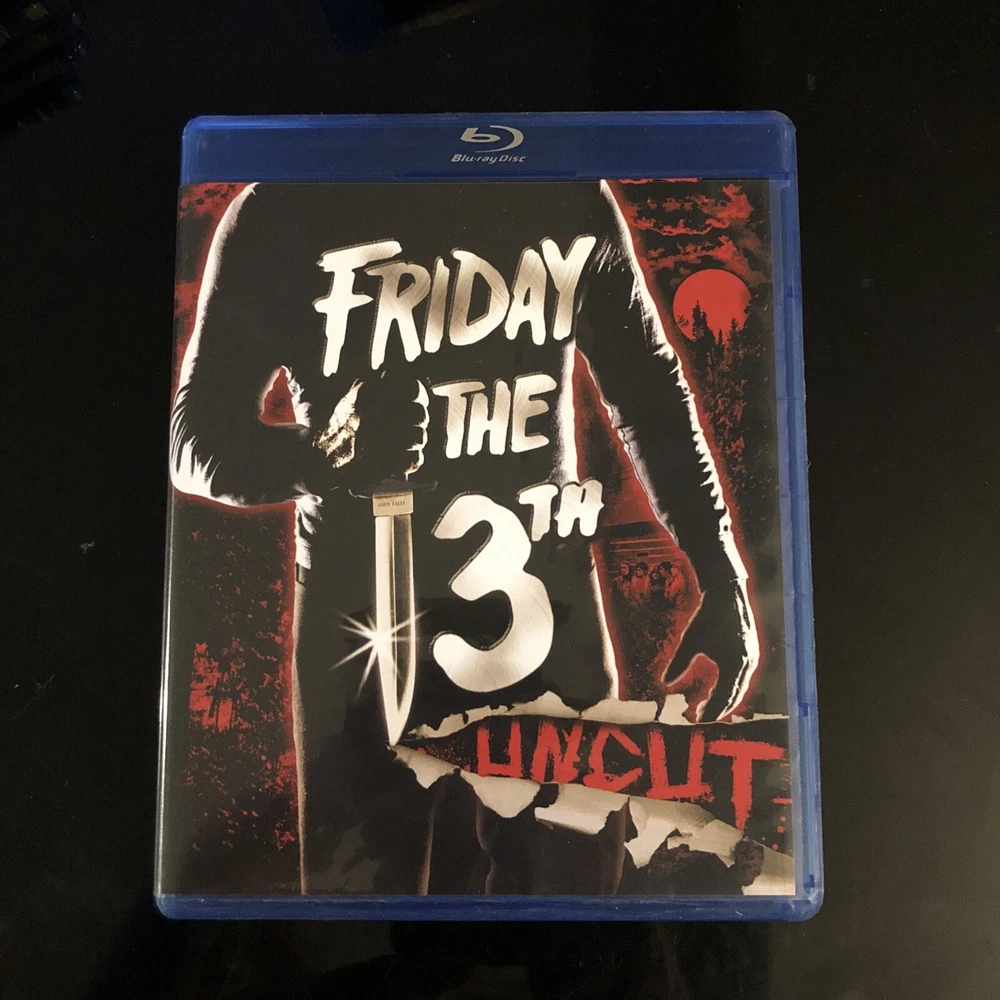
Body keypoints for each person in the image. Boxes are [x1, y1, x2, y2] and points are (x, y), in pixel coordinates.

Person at [170, 181, 759, 895]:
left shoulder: (560, 193)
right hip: (367, 637)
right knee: (364, 927)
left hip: (544, 624)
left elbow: (649, 395)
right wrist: (327, 454)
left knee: (572, 918)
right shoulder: (287, 207)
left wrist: (721, 576)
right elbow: (193, 439)